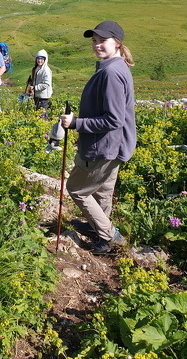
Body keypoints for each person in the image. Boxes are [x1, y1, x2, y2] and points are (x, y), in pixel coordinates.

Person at [60, 21, 136, 255]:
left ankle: (108, 235)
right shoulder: (117, 66)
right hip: (116, 146)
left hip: (103, 146)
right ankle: (97, 227)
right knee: (102, 190)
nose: (97, 45)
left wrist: (76, 124)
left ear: (117, 42)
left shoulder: (112, 73)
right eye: (94, 40)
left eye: (102, 40)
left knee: (77, 189)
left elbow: (113, 119)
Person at [27, 49, 53, 117]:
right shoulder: (37, 68)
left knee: (42, 114)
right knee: (38, 113)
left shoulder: (46, 70)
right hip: (38, 94)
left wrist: (35, 87)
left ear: (45, 60)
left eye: (42, 59)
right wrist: (31, 82)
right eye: (38, 58)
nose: (39, 60)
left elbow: (46, 84)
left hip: (43, 96)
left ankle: (46, 125)